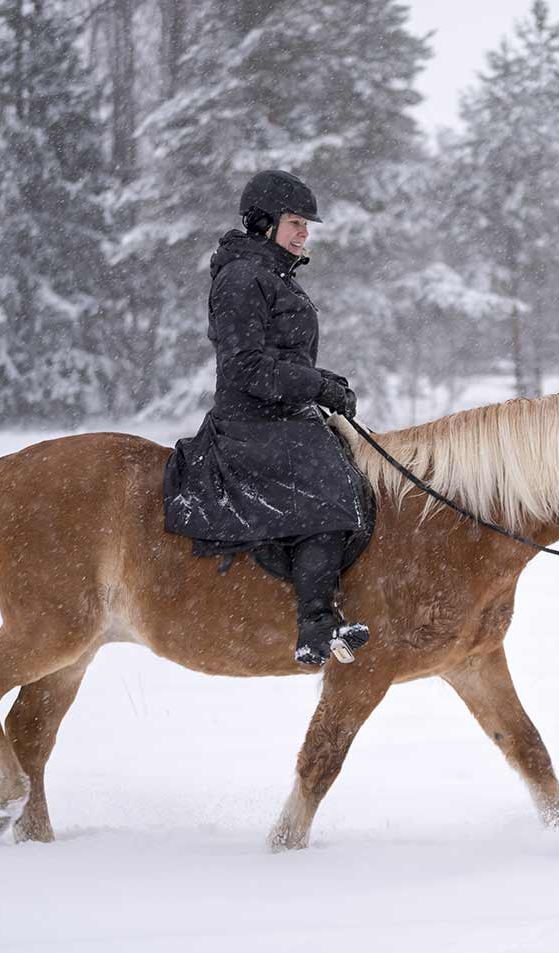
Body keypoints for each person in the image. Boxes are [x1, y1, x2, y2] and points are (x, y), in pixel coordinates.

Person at [163, 169, 370, 666]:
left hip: (283, 412)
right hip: (251, 421)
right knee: (327, 486)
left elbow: (281, 355)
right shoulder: (242, 277)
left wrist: (323, 381)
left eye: (306, 225)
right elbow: (243, 366)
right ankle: (317, 624)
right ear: (263, 224)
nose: (305, 233)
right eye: (296, 223)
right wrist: (314, 384)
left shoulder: (271, 275)